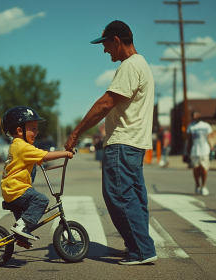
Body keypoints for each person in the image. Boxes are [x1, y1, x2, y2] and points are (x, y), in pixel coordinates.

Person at [64, 20, 157, 265]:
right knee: (134, 198)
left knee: (119, 195)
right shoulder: (143, 64)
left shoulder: (129, 66)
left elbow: (106, 103)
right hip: (135, 144)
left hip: (122, 143)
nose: (105, 50)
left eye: (105, 44)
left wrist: (75, 134)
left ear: (116, 40)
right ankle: (139, 245)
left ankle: (142, 249)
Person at [0, 106, 73, 240]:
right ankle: (20, 227)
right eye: (33, 128)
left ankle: (21, 236)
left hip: (10, 190)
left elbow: (32, 160)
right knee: (41, 200)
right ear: (19, 130)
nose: (37, 132)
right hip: (17, 189)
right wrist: (66, 154)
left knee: (24, 216)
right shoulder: (23, 147)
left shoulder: (16, 145)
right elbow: (44, 155)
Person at [186, 111, 213, 196]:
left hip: (205, 150)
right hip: (195, 151)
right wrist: (187, 150)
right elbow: (189, 140)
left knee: (204, 168)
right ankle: (197, 185)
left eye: (197, 115)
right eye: (194, 115)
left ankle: (204, 186)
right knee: (196, 169)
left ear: (200, 115)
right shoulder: (191, 126)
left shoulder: (206, 125)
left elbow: (210, 137)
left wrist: (212, 147)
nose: (196, 116)